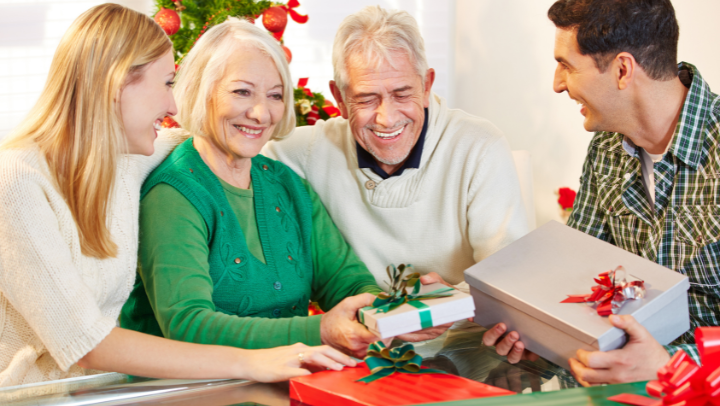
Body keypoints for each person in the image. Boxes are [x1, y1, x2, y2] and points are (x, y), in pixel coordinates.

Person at [0, 3, 355, 387]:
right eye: (168, 83)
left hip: (108, 391)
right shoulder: (16, 182)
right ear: (117, 84)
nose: (174, 104)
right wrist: (253, 362)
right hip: (38, 395)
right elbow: (85, 343)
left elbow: (209, 141)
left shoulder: (126, 158)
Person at [119, 18, 439, 360]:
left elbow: (346, 282)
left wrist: (394, 312)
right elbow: (188, 325)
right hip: (190, 391)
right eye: (242, 91)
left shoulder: (287, 184)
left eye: (275, 95)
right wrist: (320, 330)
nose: (261, 113)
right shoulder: (173, 194)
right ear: (201, 90)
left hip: (285, 380)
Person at [485, 0, 720, 385]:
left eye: (567, 65)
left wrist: (672, 366)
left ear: (623, 70)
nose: (557, 84)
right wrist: (543, 336)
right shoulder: (607, 149)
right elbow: (575, 279)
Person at [261, 6, 530, 339]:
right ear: (339, 99)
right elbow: (228, 153)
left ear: (427, 84)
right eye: (366, 99)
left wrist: (453, 299)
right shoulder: (299, 153)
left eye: (402, 94)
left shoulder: (478, 146)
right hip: (360, 348)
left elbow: (511, 278)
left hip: (466, 345)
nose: (387, 119)